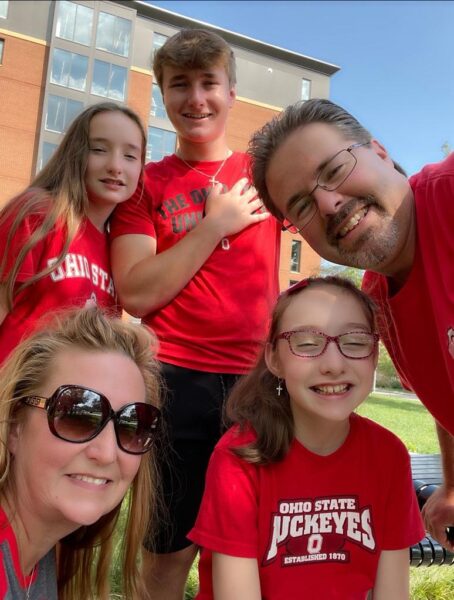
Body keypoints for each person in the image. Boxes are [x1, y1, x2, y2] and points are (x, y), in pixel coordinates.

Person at [110, 29, 280, 598]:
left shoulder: (265, 173)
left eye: (209, 82)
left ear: (232, 91)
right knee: (166, 550)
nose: (196, 98)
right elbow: (135, 292)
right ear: (161, 94)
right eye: (179, 84)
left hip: (261, 381)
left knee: (253, 547)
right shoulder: (146, 183)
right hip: (175, 378)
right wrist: (213, 226)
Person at [247, 98, 454, 549]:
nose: (328, 203)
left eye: (335, 169)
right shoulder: (377, 303)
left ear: (379, 152)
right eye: (301, 204)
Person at [189, 276, 424, 600]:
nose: (333, 364)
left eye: (355, 342)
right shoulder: (240, 456)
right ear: (274, 359)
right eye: (307, 343)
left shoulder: (389, 456)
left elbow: (393, 593)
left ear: (373, 355)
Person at [0, 306, 162, 599]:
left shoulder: (38, 552)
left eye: (131, 424)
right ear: (14, 424)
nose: (107, 452)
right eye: (77, 414)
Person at [0, 101, 146, 365]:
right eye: (99, 149)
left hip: (68, 401)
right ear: (76, 153)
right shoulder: (38, 213)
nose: (115, 166)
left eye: (130, 156)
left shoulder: (117, 251)